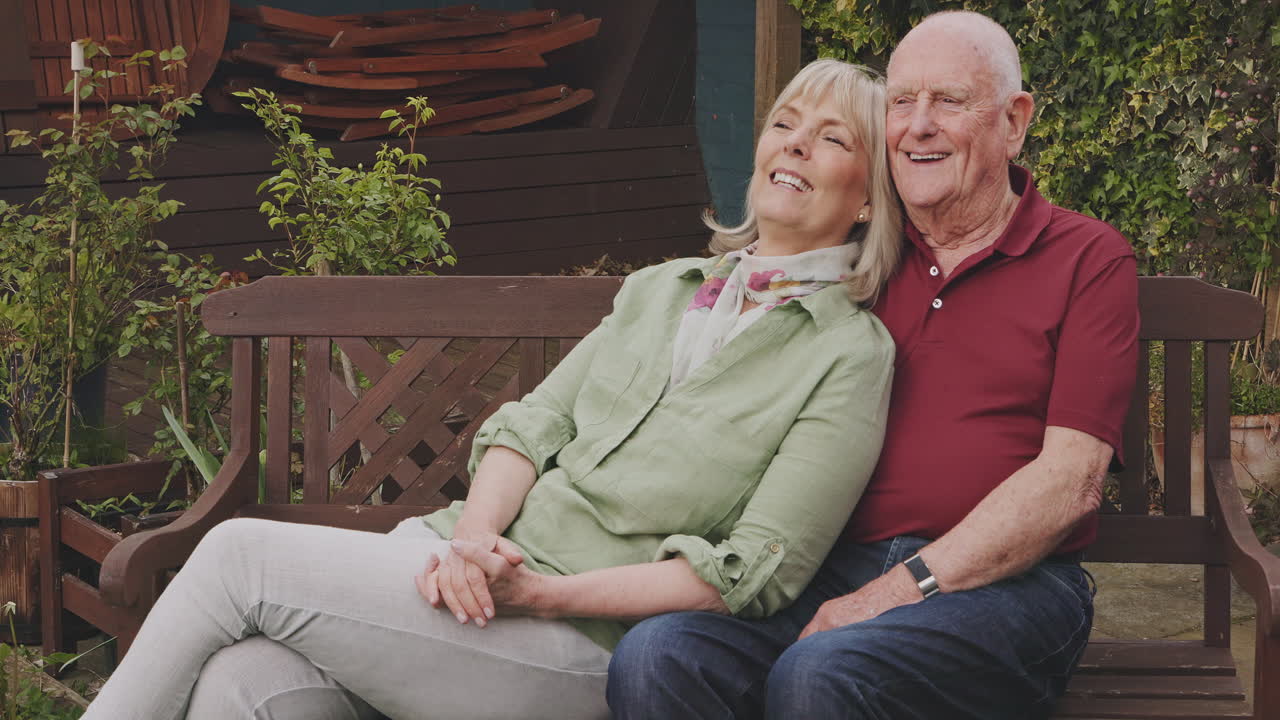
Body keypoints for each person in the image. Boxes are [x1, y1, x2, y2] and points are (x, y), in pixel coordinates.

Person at [81, 58, 901, 720]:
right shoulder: (659, 289)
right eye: (784, 124)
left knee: (236, 556)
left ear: (867, 199)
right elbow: (533, 421)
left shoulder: (847, 354)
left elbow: (754, 570)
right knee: (247, 681)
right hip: (460, 569)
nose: (792, 145)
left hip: (580, 639)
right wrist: (471, 542)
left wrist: (541, 594)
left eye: (830, 138)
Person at [607, 10, 1140, 720]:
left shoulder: (1087, 258)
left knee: (824, 673)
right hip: (829, 564)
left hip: (1012, 588)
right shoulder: (856, 260)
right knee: (656, 656)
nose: (918, 124)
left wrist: (897, 590)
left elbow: (1069, 484)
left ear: (1014, 122)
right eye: (900, 101)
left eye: (948, 100)